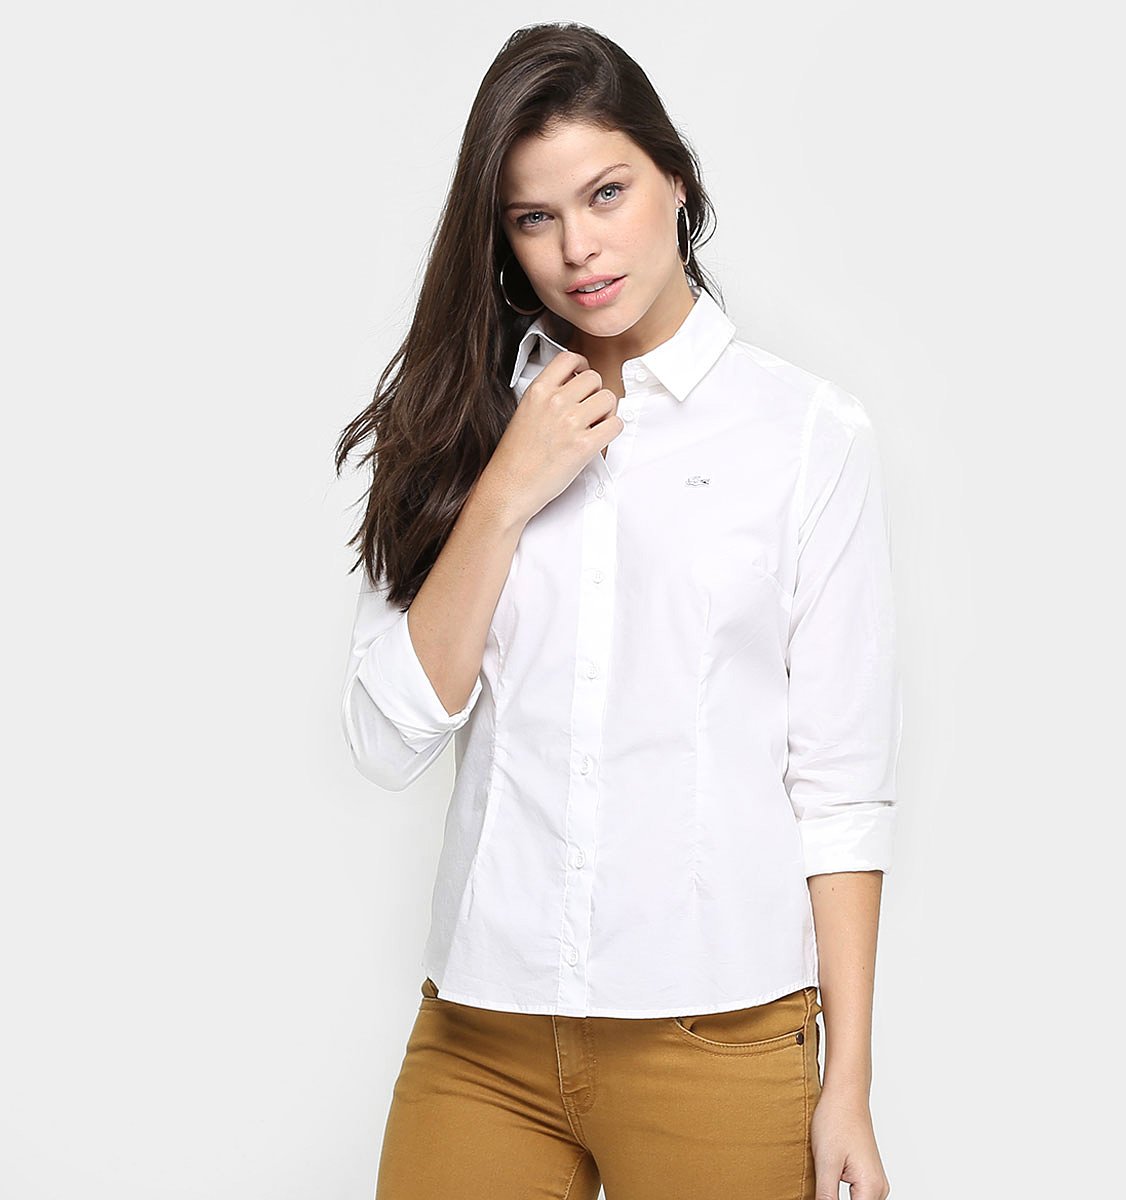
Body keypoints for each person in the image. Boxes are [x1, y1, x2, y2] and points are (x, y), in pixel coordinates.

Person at [333, 21, 901, 1200]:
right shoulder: (465, 423)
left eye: (607, 193)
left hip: (716, 1036)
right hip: (480, 1036)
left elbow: (838, 788)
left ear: (675, 179)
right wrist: (506, 488)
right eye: (533, 217)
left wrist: (846, 1080)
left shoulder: (806, 437)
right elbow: (388, 736)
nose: (577, 249)